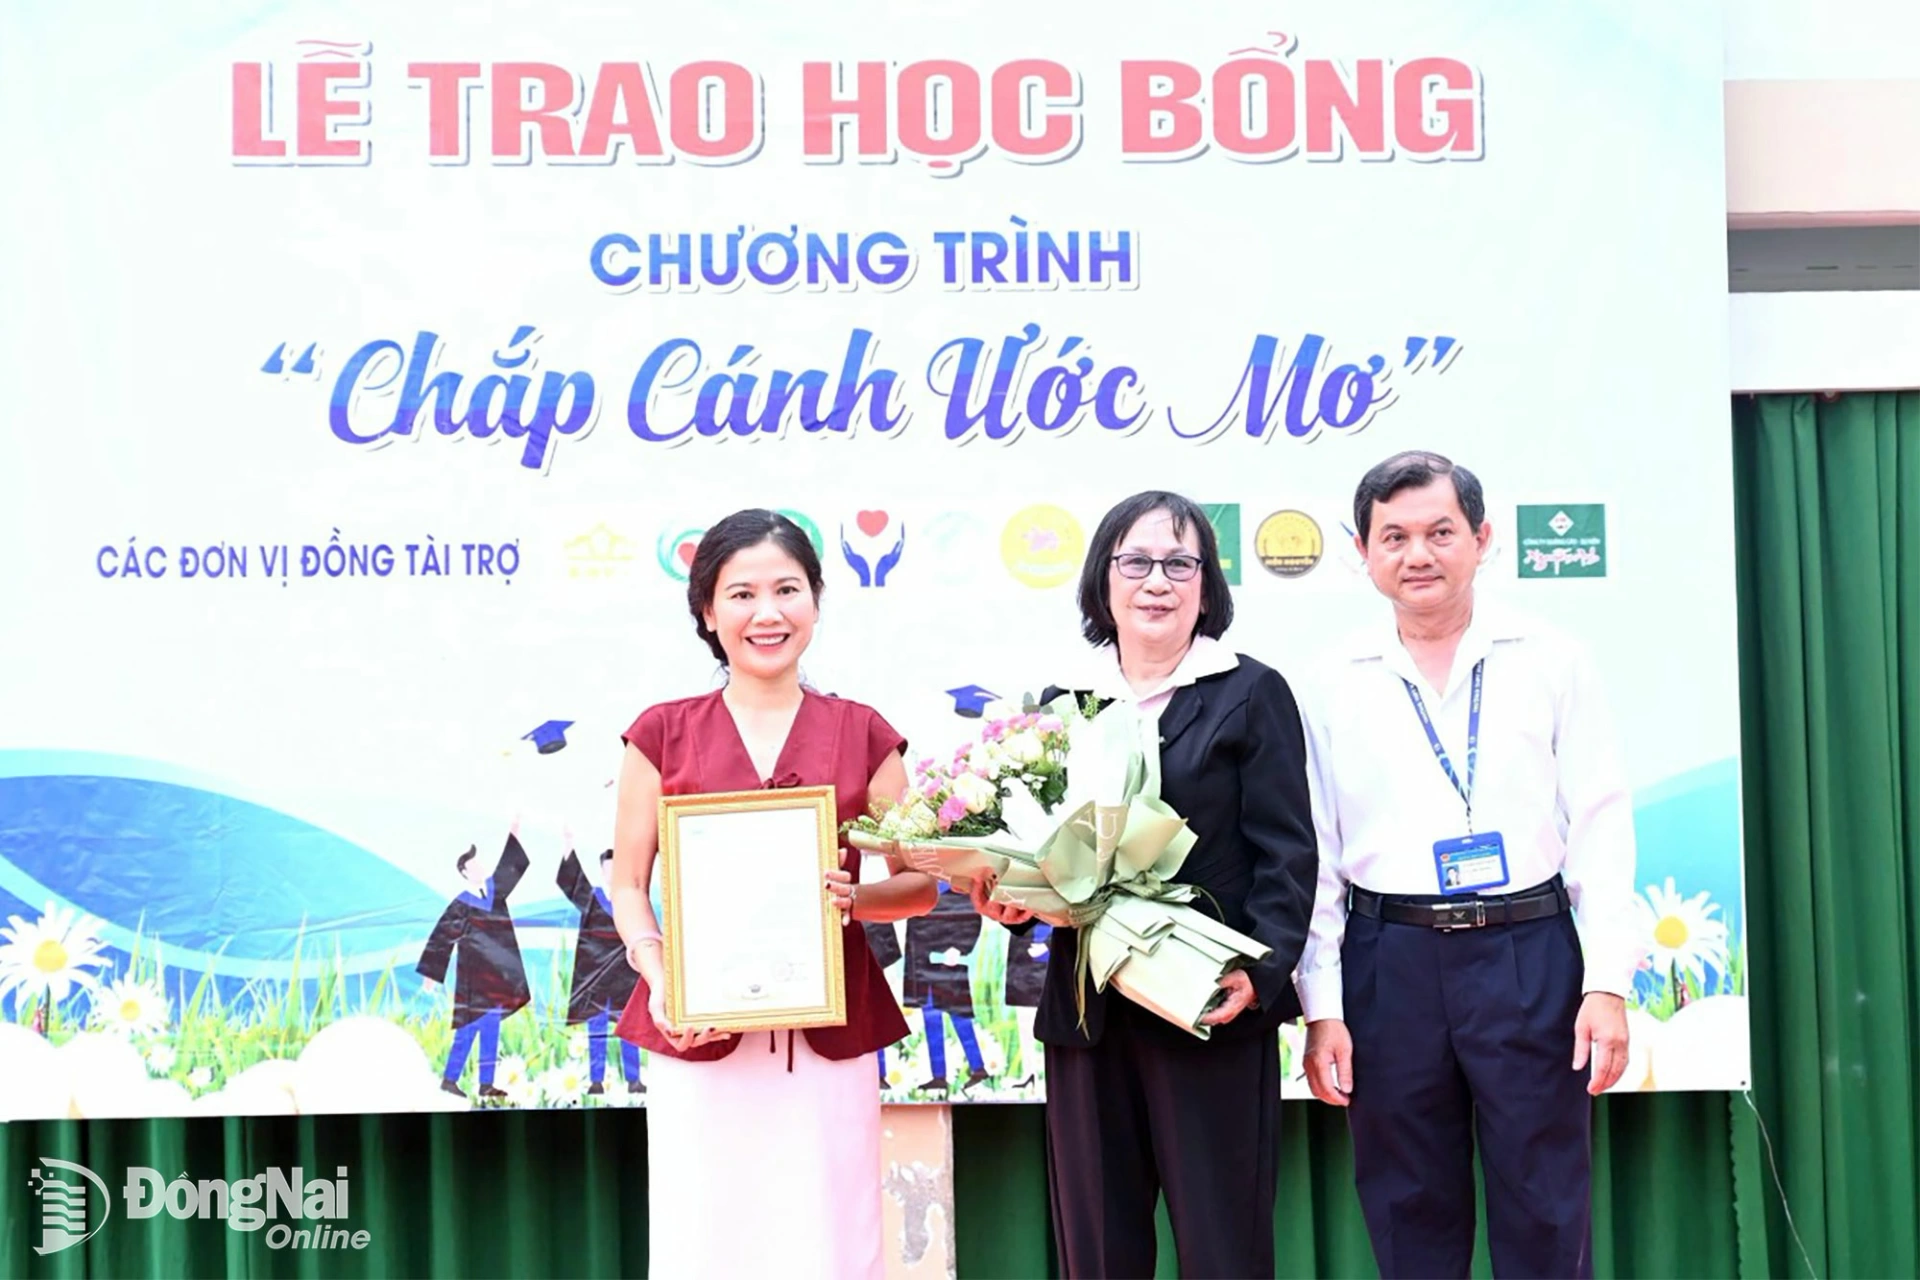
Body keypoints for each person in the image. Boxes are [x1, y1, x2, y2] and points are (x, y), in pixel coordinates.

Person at [1294, 450, 1638, 1279]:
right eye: (1395, 537)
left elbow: (1601, 823)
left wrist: (1606, 984)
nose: (1418, 554)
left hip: (1527, 951)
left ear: (1482, 540)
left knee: (1546, 1202)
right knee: (1408, 1206)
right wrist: (1322, 1009)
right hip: (1390, 961)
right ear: (1362, 551)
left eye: (1440, 532)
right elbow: (1319, 858)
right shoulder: (1330, 680)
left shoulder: (1552, 658)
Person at [970, 489, 1319, 1278]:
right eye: (1135, 562)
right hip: (1091, 1013)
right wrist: (1013, 903)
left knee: (1224, 1248)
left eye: (1179, 564)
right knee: (1099, 1251)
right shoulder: (1063, 704)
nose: (1157, 581)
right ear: (1103, 580)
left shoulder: (1250, 691)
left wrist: (1260, 970)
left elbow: (1288, 852)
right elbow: (1041, 853)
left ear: (1207, 585)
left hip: (1210, 1003)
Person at [607, 508, 940, 1280]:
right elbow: (627, 884)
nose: (768, 613)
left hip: (827, 1037)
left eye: (788, 590)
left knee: (828, 1238)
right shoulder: (661, 734)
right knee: (706, 1240)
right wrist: (661, 976)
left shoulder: (863, 733)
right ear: (706, 611)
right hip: (698, 1037)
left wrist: (858, 900)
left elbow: (921, 884)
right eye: (742, 594)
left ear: (816, 602)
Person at [417, 823, 531, 1100]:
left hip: (496, 978)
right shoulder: (461, 904)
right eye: (474, 866)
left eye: (480, 864)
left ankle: (485, 1084)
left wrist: (514, 833)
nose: (480, 869)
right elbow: (442, 937)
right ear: (465, 873)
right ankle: (450, 1080)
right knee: (467, 1031)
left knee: (491, 1030)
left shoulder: (495, 892)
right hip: (473, 979)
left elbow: (509, 867)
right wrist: (431, 976)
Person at [557, 846, 643, 1096]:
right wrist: (568, 847)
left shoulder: (630, 900)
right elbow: (572, 882)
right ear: (602, 871)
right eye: (608, 869)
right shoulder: (592, 897)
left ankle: (634, 1080)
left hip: (624, 976)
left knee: (629, 1031)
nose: (612, 873)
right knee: (596, 1031)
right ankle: (596, 1081)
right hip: (595, 977)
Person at [903, 883, 990, 1095]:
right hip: (923, 971)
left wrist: (959, 948)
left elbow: (973, 920)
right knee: (931, 1022)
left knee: (960, 1019)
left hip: (949, 971)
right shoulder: (918, 894)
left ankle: (978, 1068)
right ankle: (938, 1076)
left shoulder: (960, 892)